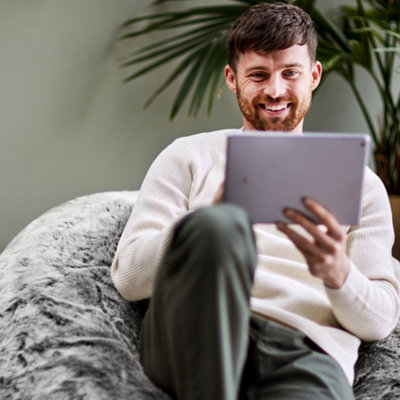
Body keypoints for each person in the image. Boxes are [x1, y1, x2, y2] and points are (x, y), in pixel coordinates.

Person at [111, 2, 400, 399]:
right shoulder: (189, 156)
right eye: (258, 75)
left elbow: (381, 320)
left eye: (290, 73)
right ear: (232, 78)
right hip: (196, 331)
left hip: (307, 351)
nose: (275, 90)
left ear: (314, 76)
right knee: (217, 225)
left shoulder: (362, 185)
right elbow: (128, 279)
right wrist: (200, 224)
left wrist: (338, 273)